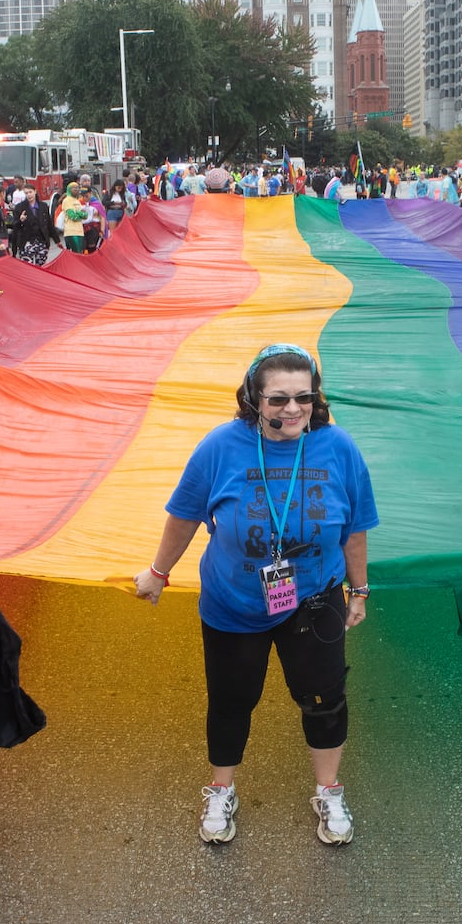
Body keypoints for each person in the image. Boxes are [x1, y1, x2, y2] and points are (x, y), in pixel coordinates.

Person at [132, 344, 378, 847]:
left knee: (325, 701)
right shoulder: (221, 446)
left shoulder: (339, 448)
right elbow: (184, 515)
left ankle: (328, 790)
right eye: (278, 399)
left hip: (315, 601)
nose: (293, 410)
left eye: (304, 397)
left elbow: (354, 529)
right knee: (230, 701)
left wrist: (359, 590)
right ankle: (221, 789)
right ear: (252, 399)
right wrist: (158, 571)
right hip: (233, 603)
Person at [11, 192, 55, 265]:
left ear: (35, 191)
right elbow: (15, 228)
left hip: (41, 242)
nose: (29, 194)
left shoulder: (43, 206)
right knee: (27, 268)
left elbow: (49, 224)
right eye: (26, 193)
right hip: (26, 242)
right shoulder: (19, 208)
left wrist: (57, 240)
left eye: (30, 192)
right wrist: (20, 220)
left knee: (41, 268)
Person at [56, 186, 90, 254]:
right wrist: (80, 214)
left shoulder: (77, 201)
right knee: (75, 252)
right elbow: (73, 217)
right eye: (74, 188)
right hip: (70, 232)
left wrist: (78, 213)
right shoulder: (66, 202)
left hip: (80, 231)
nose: (76, 190)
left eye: (77, 188)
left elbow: (85, 215)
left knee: (80, 252)